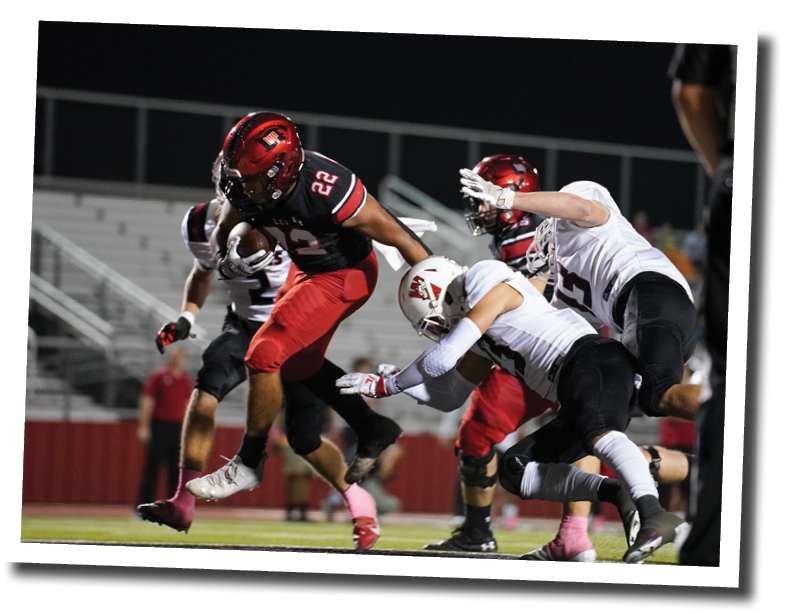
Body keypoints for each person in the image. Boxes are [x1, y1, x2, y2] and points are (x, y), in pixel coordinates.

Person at [337, 256, 688, 564]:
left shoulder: (483, 278)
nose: (437, 330)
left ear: (442, 294)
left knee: (599, 434)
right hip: (574, 383)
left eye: (432, 320)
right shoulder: (482, 335)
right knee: (514, 470)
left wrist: (389, 385)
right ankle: (616, 493)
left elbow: (443, 358)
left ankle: (654, 513)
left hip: (590, 359)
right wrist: (399, 380)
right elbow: (448, 396)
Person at [186, 112, 432, 549]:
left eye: (252, 179)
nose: (241, 187)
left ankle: (248, 461)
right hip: (306, 269)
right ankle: (372, 427)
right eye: (236, 176)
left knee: (264, 354)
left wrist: (442, 288)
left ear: (281, 172)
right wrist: (231, 258)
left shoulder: (328, 186)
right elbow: (224, 232)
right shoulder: (247, 186)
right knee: (300, 365)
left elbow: (400, 236)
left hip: (346, 274)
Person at [433, 154, 692, 562]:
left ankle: (586, 523)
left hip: (635, 304)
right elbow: (550, 312)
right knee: (589, 434)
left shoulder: (564, 213)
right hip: (605, 333)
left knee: (632, 409)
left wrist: (507, 201)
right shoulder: (554, 261)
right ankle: (691, 469)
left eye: (485, 198)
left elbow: (581, 210)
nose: (478, 208)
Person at [136, 162, 390, 545]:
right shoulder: (199, 222)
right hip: (241, 325)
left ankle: (360, 502)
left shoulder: (282, 213)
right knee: (204, 396)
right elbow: (202, 271)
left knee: (305, 439)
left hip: (291, 327)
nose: (239, 188)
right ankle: (182, 502)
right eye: (232, 181)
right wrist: (187, 316)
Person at [459, 171, 701, 423]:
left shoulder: (590, 218)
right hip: (645, 316)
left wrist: (507, 198)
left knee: (658, 393)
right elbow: (553, 336)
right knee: (608, 407)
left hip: (648, 293)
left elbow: (583, 208)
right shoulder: (566, 288)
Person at [669, 42, 735, 567]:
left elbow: (691, 91)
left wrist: (728, 172)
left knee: (731, 374)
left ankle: (713, 549)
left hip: (745, 181)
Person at [135, 346, 192, 511]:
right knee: (153, 468)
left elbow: (187, 405)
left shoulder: (185, 379)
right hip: (160, 426)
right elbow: (148, 401)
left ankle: (173, 508)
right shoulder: (159, 376)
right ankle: (144, 507)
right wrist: (143, 426)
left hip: (178, 428)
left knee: (176, 471)